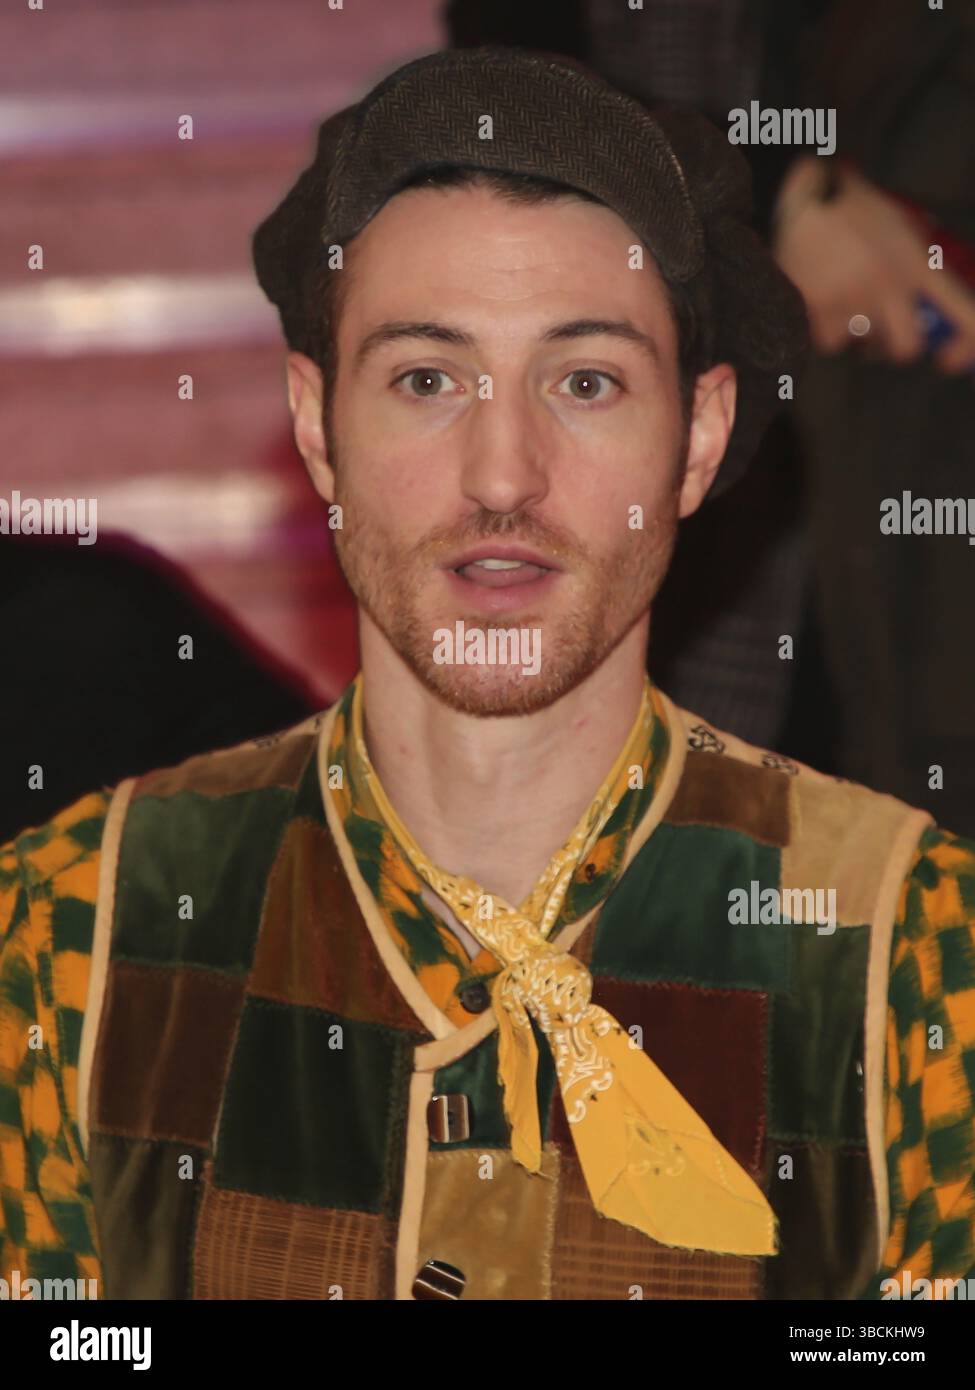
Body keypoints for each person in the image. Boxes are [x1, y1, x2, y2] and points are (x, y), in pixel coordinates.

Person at [1, 47, 972, 1302]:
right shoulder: (66, 932)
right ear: (317, 429)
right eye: (426, 378)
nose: (503, 474)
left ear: (700, 437)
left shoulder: (918, 949)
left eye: (584, 381)